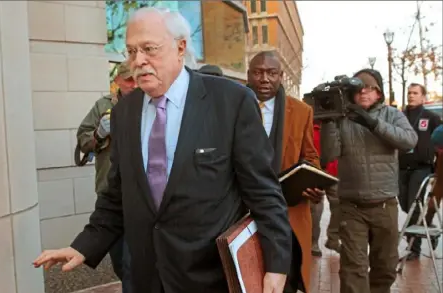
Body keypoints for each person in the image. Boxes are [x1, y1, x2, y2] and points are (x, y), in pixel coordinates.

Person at [34, 7, 292, 293]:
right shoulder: (124, 114)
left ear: (180, 47)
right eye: (131, 51)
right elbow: (117, 195)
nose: (138, 60)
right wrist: (83, 247)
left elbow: (264, 193)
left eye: (149, 48)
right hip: (145, 277)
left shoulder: (231, 102)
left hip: (211, 278)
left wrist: (277, 265)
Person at [320, 69, 418, 293]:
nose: (364, 91)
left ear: (379, 92)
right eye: (358, 88)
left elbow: (409, 140)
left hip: (385, 205)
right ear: (351, 93)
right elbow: (328, 156)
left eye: (370, 87)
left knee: (385, 268)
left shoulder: (392, 114)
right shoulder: (342, 119)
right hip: (352, 206)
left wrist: (372, 123)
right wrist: (328, 123)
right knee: (353, 270)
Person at [247, 51, 324, 293]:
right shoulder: (233, 106)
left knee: (286, 281)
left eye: (271, 73)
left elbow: (310, 156)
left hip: (287, 212)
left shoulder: (301, 111)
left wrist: (313, 181)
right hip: (242, 212)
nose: (265, 79)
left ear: (281, 76)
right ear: (249, 75)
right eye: (258, 72)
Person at [75, 61, 135, 292]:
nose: (134, 84)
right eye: (128, 80)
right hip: (110, 191)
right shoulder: (103, 106)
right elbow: (83, 140)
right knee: (120, 256)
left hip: (139, 193)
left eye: (136, 79)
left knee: (136, 260)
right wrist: (99, 135)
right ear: (117, 81)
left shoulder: (147, 102)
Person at [398, 83, 442, 259]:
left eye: (415, 93)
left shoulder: (431, 117)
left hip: (422, 168)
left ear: (423, 97)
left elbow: (439, 142)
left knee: (412, 205)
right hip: (402, 167)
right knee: (403, 203)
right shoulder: (400, 116)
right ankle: (429, 229)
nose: (411, 96)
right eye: (409, 93)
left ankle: (413, 249)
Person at [312, 120, 340, 255]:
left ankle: (333, 238)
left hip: (333, 171)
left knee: (339, 206)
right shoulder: (309, 124)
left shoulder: (337, 123)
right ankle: (313, 243)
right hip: (314, 172)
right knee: (315, 210)